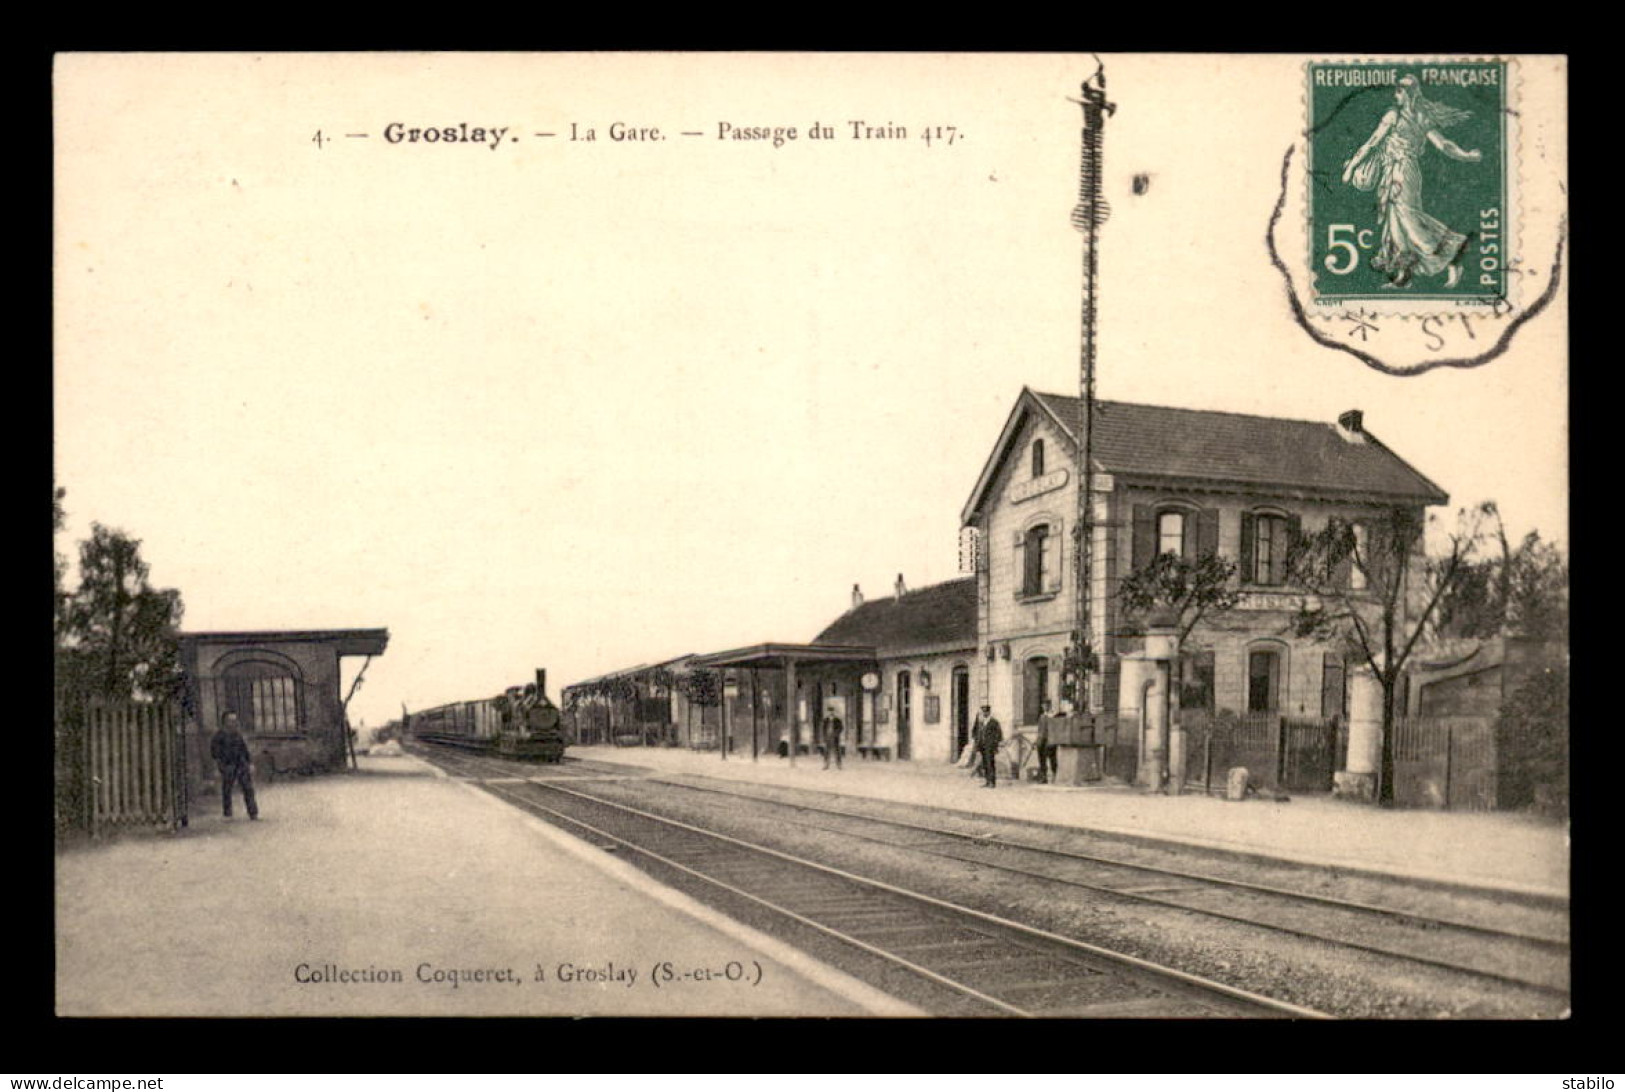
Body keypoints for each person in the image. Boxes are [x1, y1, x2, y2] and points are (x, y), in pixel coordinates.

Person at [1341, 75, 1483, 289]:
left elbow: (1372, 143)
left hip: (1403, 172)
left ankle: (1453, 254)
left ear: (1409, 93)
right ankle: (1403, 275)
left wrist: (1352, 167)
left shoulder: (1400, 116)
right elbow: (1443, 144)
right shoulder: (1417, 116)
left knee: (1409, 220)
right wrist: (1466, 155)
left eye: (1399, 91)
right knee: (1395, 224)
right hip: (1393, 173)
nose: (1395, 95)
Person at [210, 711, 259, 820]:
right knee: (227, 789)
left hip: (241, 764)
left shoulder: (238, 735)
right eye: (230, 721)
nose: (233, 723)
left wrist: (249, 763)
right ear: (225, 722)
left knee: (248, 787)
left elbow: (244, 750)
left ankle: (253, 812)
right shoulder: (219, 736)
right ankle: (227, 813)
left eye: (235, 720)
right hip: (227, 764)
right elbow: (215, 752)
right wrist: (218, 766)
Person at [973, 704, 1003, 788]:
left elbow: (999, 734)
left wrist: (995, 745)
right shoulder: (981, 722)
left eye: (986, 711)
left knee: (990, 764)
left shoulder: (994, 722)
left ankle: (992, 782)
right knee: (985, 764)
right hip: (982, 746)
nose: (984, 713)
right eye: (983, 712)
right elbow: (977, 733)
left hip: (990, 747)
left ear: (989, 712)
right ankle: (987, 781)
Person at [1035, 699, 1059, 785]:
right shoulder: (1042, 716)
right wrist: (1037, 740)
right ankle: (1043, 777)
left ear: (1049, 706)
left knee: (1052, 759)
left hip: (1050, 740)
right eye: (1043, 705)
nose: (1044, 707)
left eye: (1046, 705)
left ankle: (1055, 775)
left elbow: (1054, 730)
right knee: (1042, 760)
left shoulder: (1052, 716)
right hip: (1041, 741)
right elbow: (1040, 730)